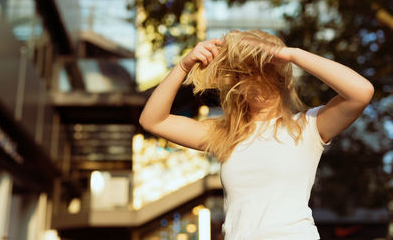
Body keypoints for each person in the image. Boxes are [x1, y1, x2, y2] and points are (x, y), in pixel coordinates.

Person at [139, 29, 374, 239]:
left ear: (282, 77)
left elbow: (361, 92)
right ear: (237, 82)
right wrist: (183, 66)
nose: (259, 78)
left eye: (267, 69)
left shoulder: (308, 126)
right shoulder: (225, 134)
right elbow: (153, 120)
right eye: (248, 72)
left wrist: (290, 54)